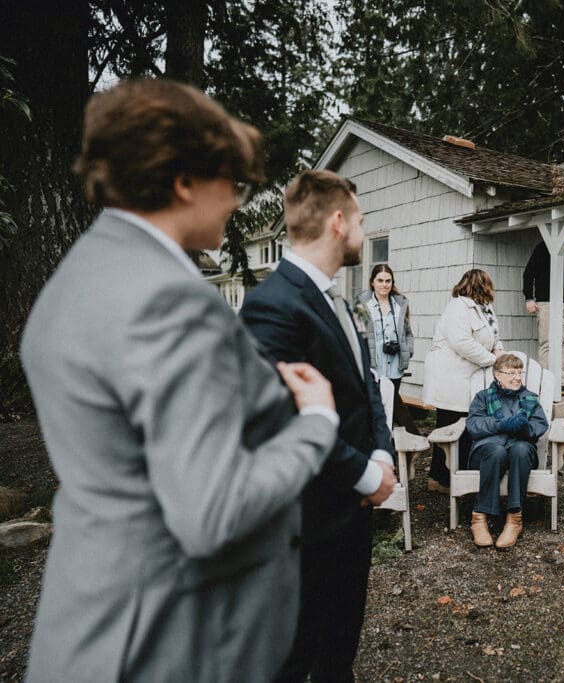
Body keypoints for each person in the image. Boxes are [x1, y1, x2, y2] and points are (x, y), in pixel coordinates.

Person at [19, 78, 340, 682]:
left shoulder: (76, 281)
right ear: (184, 180)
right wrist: (315, 423)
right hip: (172, 640)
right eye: (232, 182)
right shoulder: (171, 301)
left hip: (93, 618)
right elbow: (211, 513)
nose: (237, 202)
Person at [239, 169, 396, 683]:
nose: (361, 230)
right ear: (337, 221)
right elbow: (281, 423)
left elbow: (367, 385)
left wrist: (383, 452)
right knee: (295, 659)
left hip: (350, 518)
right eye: (359, 220)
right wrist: (365, 476)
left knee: (338, 654)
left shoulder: (337, 300)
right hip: (305, 523)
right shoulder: (272, 307)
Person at [422, 269, 503, 493]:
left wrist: (500, 352)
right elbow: (461, 342)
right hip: (450, 378)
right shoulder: (458, 307)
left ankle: (452, 477)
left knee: (466, 428)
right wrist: (491, 360)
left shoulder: (486, 309)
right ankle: (441, 479)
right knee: (449, 428)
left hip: (467, 380)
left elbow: (494, 337)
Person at [464, 353, 550, 549]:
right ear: (497, 375)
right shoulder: (483, 397)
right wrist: (501, 424)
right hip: (487, 451)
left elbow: (539, 424)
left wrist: (524, 428)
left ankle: (514, 519)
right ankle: (479, 518)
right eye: (511, 372)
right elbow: (474, 424)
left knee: (520, 449)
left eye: (520, 372)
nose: (517, 377)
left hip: (520, 451)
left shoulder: (529, 399)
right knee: (496, 451)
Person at [522, 233, 564, 396]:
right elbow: (529, 274)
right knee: (547, 341)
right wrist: (529, 298)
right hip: (546, 301)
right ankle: (545, 382)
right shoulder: (542, 248)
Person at [354, 263, 414, 394]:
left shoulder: (400, 305)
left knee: (391, 408)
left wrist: (407, 351)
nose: (384, 284)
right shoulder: (362, 305)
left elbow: (408, 333)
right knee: (375, 410)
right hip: (372, 369)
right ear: (372, 282)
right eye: (380, 280)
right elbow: (356, 336)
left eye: (388, 281)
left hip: (395, 369)